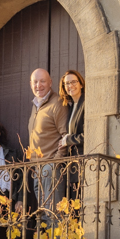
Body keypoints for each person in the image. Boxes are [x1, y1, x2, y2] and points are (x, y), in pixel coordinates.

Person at [28, 68, 69, 210]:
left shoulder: (58, 103)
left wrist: (55, 163)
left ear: (50, 83)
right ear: (30, 84)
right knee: (44, 215)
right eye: (35, 82)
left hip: (51, 168)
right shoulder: (36, 105)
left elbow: (66, 135)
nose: (38, 85)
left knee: (53, 215)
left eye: (42, 81)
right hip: (37, 170)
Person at [59, 70, 85, 156]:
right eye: (67, 83)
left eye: (74, 82)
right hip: (73, 159)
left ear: (81, 84)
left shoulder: (86, 103)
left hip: (84, 157)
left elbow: (89, 135)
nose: (70, 86)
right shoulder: (72, 106)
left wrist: (68, 140)